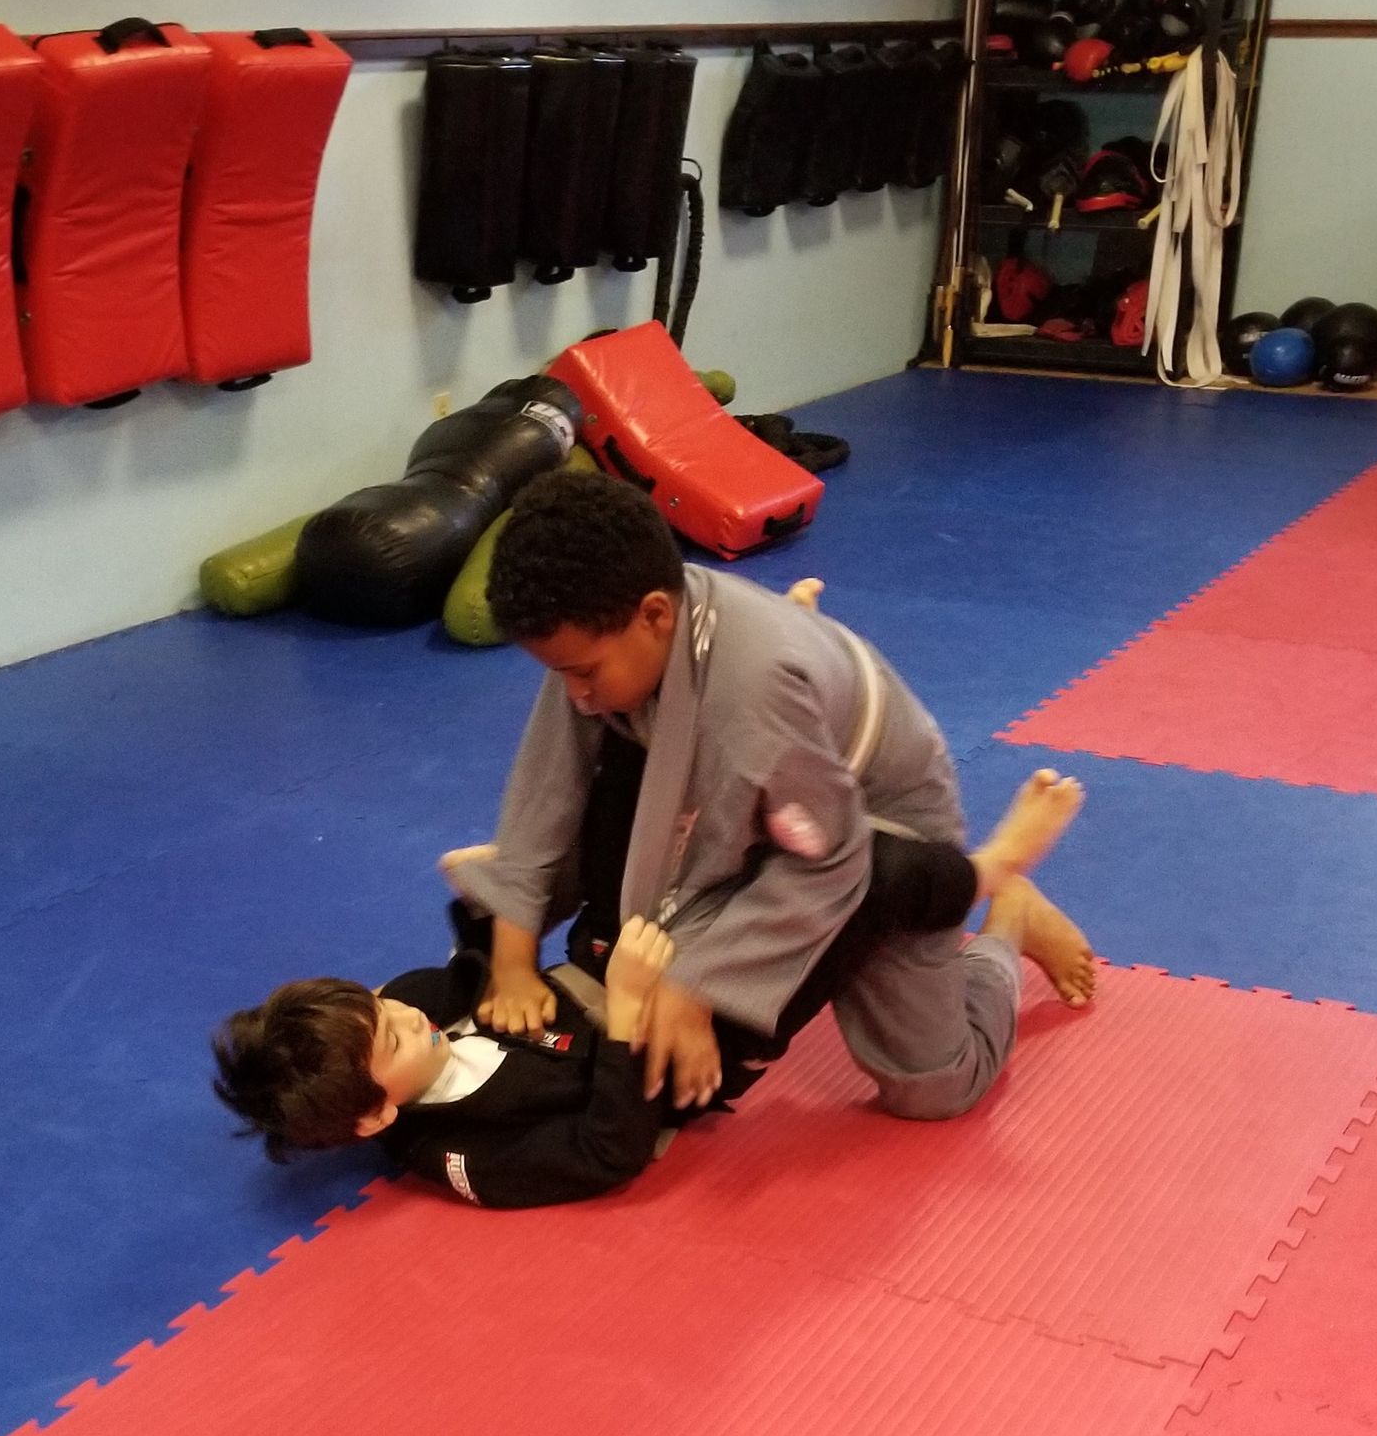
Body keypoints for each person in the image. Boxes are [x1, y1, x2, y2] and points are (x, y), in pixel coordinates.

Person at [452, 469, 1097, 1125]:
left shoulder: (752, 692)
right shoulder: (598, 644)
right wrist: (512, 961)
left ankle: (1003, 909)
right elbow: (544, 789)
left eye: (583, 673)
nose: (575, 694)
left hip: (875, 821)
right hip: (759, 790)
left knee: (932, 1086)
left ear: (654, 613)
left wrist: (694, 985)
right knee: (623, 930)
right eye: (560, 674)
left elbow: (831, 859)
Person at [211, 765, 1083, 1209]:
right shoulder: (462, 1154)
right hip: (688, 1047)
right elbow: (607, 1151)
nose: (404, 1011)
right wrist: (629, 1014)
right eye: (394, 1036)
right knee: (856, 932)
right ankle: (997, 907)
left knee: (634, 837)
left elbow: (471, 974)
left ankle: (749, 711)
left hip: (601, 959)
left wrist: (493, 906)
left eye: (381, 1004)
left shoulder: (405, 1005)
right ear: (375, 1117)